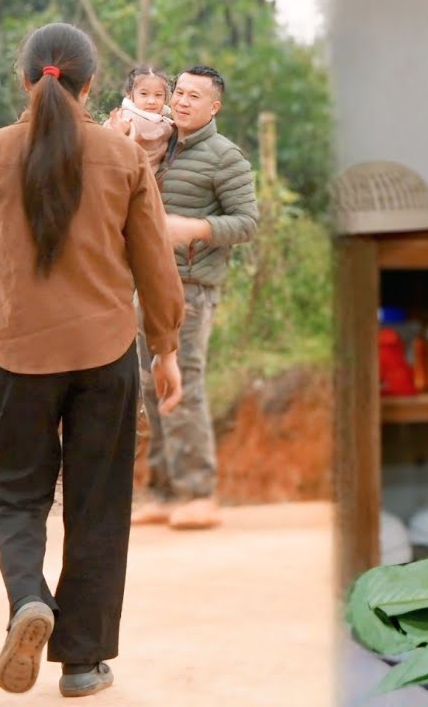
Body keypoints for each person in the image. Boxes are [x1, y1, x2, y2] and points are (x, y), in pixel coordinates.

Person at [0, 22, 185, 697]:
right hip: (105, 356)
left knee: (17, 496)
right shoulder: (123, 157)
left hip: (18, 356)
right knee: (98, 505)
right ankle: (81, 662)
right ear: (91, 83)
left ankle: (26, 601)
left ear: (25, 79)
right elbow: (154, 261)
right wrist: (166, 347)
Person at [130, 64, 259, 530]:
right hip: (145, 284)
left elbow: (247, 222)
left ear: (214, 106)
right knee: (151, 385)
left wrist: (196, 228)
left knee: (184, 382)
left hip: (191, 286)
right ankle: (163, 492)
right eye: (178, 93)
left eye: (193, 96)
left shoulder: (226, 157)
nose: (181, 102)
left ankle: (198, 493)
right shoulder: (159, 144)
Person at [104, 65, 175, 172]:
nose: (151, 101)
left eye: (158, 95)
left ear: (165, 97)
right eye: (144, 94)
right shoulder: (124, 117)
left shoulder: (165, 120)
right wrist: (126, 131)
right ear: (129, 94)